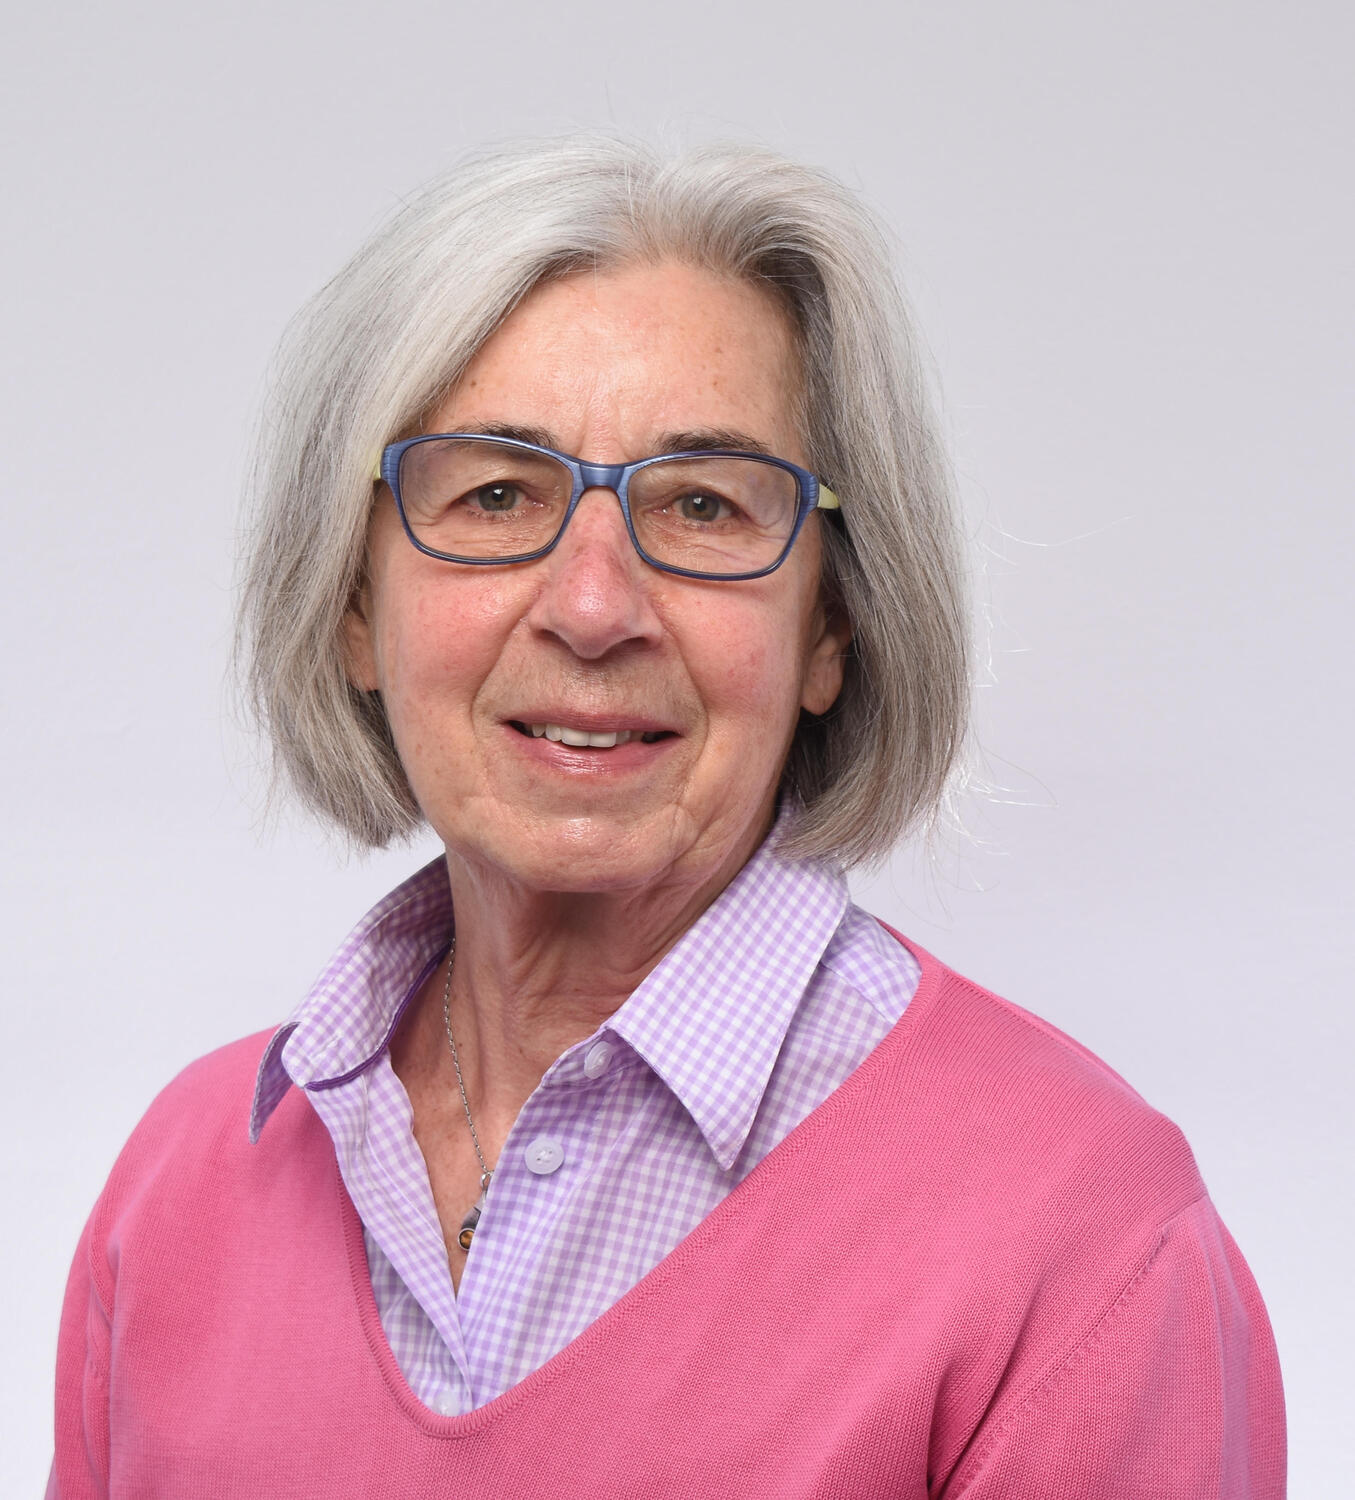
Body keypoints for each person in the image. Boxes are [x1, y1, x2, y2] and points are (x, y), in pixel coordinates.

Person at [48, 135, 1285, 1497]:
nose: (593, 607)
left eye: (703, 506)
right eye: (496, 493)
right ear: (354, 605)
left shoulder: (1084, 1250)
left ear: (831, 626)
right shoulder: (178, 1191)